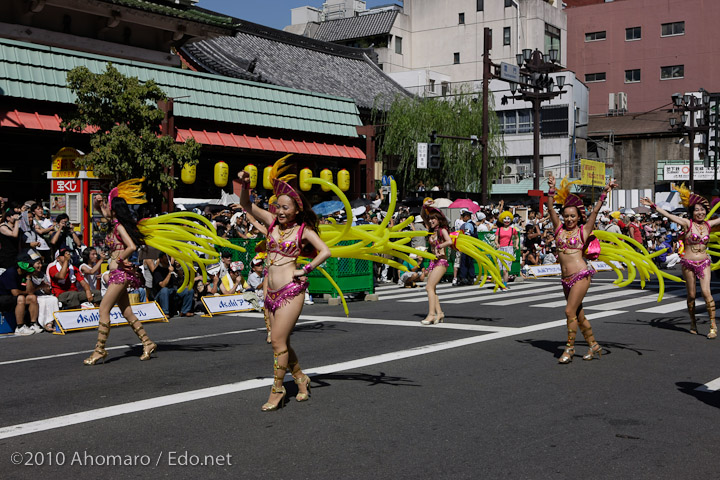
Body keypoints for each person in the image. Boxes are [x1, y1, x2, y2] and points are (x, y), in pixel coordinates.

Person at [237, 156, 331, 411]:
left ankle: (277, 390)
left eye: (285, 208)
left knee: (278, 342)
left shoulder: (303, 230)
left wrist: (306, 269)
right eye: (278, 207)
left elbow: (325, 251)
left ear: (297, 210)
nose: (279, 211)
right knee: (283, 343)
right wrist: (245, 185)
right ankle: (301, 379)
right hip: (270, 292)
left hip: (291, 291)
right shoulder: (271, 223)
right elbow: (245, 204)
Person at [83, 181, 157, 365]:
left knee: (103, 309)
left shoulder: (119, 227)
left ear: (115, 210)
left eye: (109, 206)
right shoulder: (113, 223)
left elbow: (131, 246)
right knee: (127, 312)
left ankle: (99, 350)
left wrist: (119, 259)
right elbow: (99, 209)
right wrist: (98, 202)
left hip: (119, 275)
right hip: (119, 274)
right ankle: (147, 343)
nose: (106, 209)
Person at [547, 175, 616, 364]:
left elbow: (594, 212)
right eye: (566, 216)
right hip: (565, 278)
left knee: (569, 311)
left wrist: (604, 193)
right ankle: (594, 345)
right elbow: (551, 208)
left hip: (580, 275)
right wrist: (551, 189)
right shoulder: (558, 230)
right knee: (578, 314)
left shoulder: (583, 231)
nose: (569, 219)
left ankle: (569, 348)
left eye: (572, 216)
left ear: (579, 217)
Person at [641, 186, 720, 338]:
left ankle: (712, 325)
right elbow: (668, 215)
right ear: (692, 212)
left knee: (706, 292)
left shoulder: (709, 225)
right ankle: (692, 321)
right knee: (691, 295)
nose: (700, 212)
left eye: (703, 210)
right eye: (697, 210)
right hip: (688, 263)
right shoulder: (687, 223)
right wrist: (653, 205)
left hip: (704, 262)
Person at [420, 201, 452, 325]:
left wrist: (439, 245)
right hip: (434, 262)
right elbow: (423, 216)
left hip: (442, 262)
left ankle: (431, 315)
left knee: (429, 287)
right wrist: (425, 206)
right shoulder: (432, 230)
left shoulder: (442, 230)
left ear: (439, 219)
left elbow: (449, 241)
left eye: (434, 218)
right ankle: (439, 313)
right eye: (430, 218)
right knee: (432, 288)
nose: (431, 220)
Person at [0, 261, 42, 335]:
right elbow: (15, 293)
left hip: (14, 297)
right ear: (20, 268)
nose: (27, 272)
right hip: (2, 297)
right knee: (21, 298)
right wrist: (27, 292)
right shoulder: (10, 273)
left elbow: (31, 292)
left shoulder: (25, 274)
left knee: (32, 297)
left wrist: (28, 278)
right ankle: (20, 327)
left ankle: (33, 324)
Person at [153, 253, 195, 317]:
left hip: (174, 290)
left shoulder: (172, 267)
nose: (168, 258)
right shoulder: (157, 271)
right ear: (161, 259)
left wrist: (178, 269)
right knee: (165, 290)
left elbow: (180, 281)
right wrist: (169, 273)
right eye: (166, 257)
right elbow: (162, 285)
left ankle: (185, 311)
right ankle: (165, 312)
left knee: (189, 290)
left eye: (169, 256)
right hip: (161, 294)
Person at [495, 211, 519, 288]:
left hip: (509, 249)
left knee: (505, 269)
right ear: (502, 220)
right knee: (498, 268)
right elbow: (496, 239)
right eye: (505, 219)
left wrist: (516, 244)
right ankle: (499, 283)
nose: (507, 220)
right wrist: (497, 244)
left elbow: (517, 238)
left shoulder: (513, 230)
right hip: (500, 249)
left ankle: (504, 285)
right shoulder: (499, 229)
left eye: (508, 219)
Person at [457, 210, 477, 285]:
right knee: (470, 261)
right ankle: (471, 277)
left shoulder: (468, 225)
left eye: (463, 216)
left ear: (467, 217)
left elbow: (467, 234)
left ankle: (464, 278)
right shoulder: (473, 224)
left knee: (465, 261)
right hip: (472, 245)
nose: (462, 218)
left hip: (467, 245)